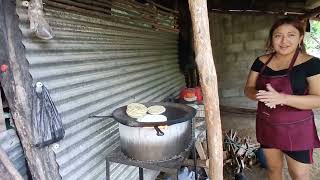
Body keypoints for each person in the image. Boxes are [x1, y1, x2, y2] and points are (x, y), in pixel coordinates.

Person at [244, 17, 320, 180]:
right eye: (278, 35)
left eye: (291, 35)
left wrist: (282, 98)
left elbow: (318, 99)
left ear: (300, 38)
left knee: (299, 174)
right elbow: (248, 88)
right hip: (267, 126)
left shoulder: (312, 63)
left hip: (298, 129)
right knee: (273, 169)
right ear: (272, 39)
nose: (284, 41)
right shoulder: (261, 62)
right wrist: (262, 95)